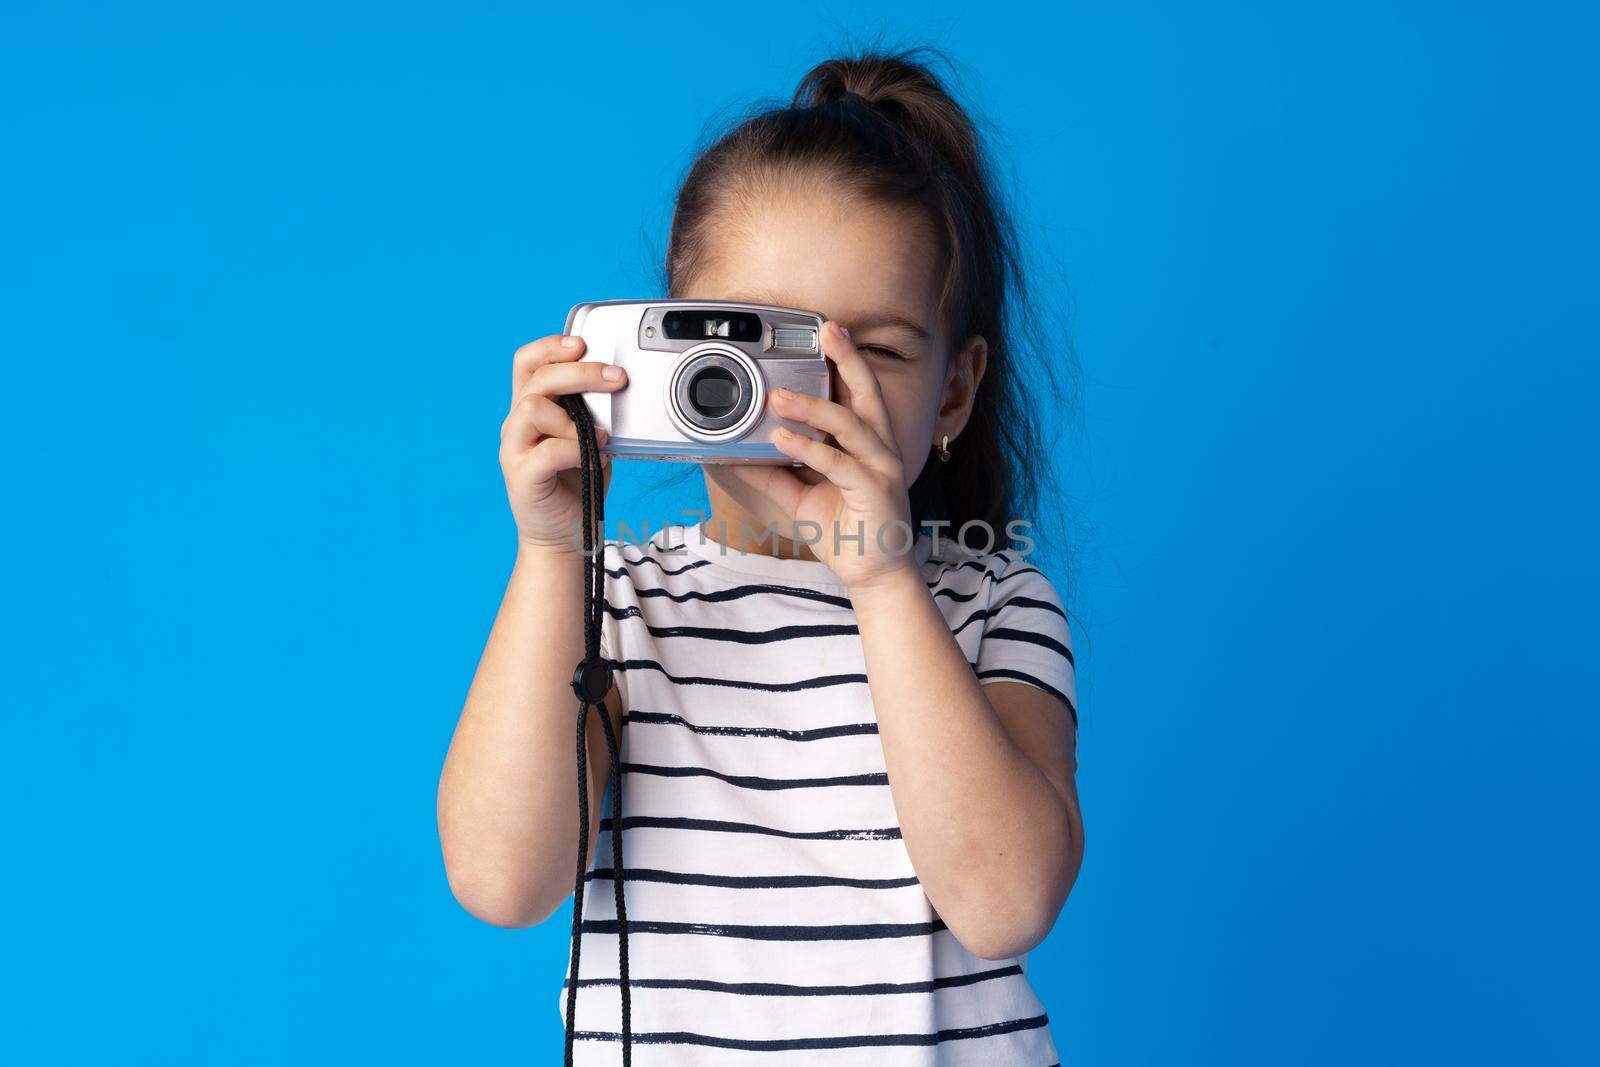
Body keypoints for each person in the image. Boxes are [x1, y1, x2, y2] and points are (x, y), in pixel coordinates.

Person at [438, 47, 1083, 1065]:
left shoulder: (995, 596)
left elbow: (1005, 901)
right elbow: (501, 878)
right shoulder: (611, 604)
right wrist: (553, 551)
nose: (814, 395)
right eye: (757, 342)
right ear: (671, 356)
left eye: (874, 350)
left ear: (953, 393)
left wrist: (879, 576)